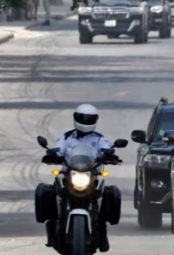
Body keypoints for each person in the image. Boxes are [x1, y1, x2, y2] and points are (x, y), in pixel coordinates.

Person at [46, 104, 113, 251]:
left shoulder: (99, 139)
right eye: (83, 118)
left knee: (110, 193)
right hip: (69, 173)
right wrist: (53, 154)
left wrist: (110, 153)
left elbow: (107, 147)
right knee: (49, 193)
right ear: (76, 118)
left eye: (90, 118)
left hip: (91, 174)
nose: (86, 121)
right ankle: (51, 228)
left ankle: (102, 231)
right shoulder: (66, 137)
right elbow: (59, 148)